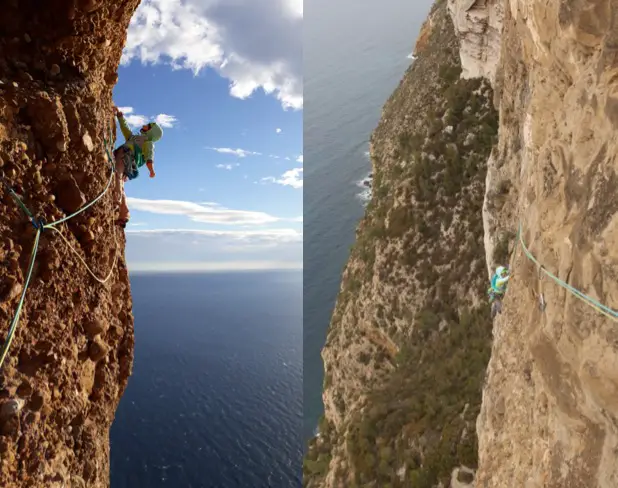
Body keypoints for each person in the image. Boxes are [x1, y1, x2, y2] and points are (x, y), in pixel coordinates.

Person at [112, 106, 163, 227]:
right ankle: (124, 214)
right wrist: (120, 116)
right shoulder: (135, 138)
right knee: (120, 182)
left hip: (125, 156)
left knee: (117, 175)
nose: (145, 126)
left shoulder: (148, 143)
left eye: (148, 126)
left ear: (151, 131)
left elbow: (150, 157)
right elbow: (126, 129)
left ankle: (115, 202)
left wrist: (151, 170)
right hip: (126, 159)